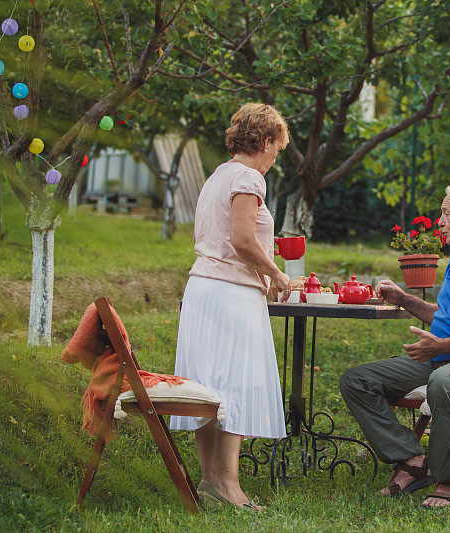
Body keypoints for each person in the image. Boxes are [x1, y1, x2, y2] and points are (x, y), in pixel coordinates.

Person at [339, 182, 450, 508]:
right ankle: (411, 458)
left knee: (444, 380)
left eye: (446, 213)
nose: (439, 221)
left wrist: (442, 347)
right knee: (357, 380)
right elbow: (444, 315)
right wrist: (404, 298)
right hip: (443, 355)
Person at [169, 103, 292, 510]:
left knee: (208, 387)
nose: (276, 158)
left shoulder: (218, 176)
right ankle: (230, 487)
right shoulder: (248, 177)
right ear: (268, 140)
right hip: (230, 295)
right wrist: (277, 274)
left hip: (203, 289)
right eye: (278, 148)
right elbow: (242, 239)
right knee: (234, 385)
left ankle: (210, 482)